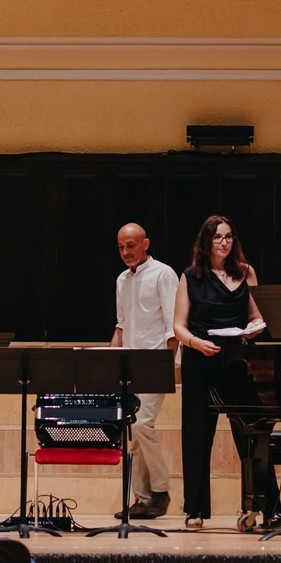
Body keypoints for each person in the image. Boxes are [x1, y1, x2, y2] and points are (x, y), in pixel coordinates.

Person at [170, 214, 276, 530]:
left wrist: (254, 328)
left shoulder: (245, 272)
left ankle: (268, 507)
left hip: (237, 360)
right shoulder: (191, 276)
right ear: (207, 241)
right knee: (198, 433)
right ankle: (195, 509)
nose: (224, 242)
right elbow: (178, 325)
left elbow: (257, 316)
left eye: (229, 237)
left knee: (252, 432)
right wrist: (196, 343)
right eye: (218, 237)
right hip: (200, 359)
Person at [110, 221, 178, 520]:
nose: (126, 252)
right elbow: (121, 326)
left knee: (141, 425)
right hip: (129, 367)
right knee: (132, 432)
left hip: (155, 364)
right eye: (121, 247)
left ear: (145, 244)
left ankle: (160, 491)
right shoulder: (121, 280)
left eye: (131, 246)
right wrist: (108, 362)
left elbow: (173, 324)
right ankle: (142, 498)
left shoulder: (163, 273)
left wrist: (167, 366)